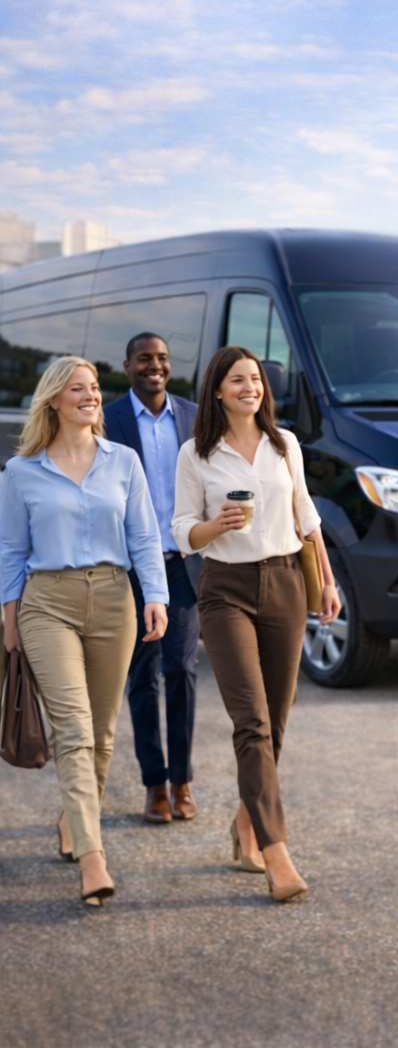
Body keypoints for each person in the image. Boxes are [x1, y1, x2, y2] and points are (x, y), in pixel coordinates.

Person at [172, 344, 341, 903]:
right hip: (225, 590)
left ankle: (246, 825)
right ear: (217, 390)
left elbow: (307, 519)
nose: (251, 387)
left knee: (279, 719)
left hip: (287, 583)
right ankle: (277, 853)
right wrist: (213, 527)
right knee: (253, 723)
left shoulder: (282, 444)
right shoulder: (196, 454)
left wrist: (328, 581)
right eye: (238, 380)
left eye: (257, 380)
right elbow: (180, 531)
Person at [0, 357, 168, 907]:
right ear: (54, 400)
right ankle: (93, 857)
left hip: (115, 600)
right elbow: (10, 552)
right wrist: (9, 621)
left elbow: (144, 536)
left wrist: (156, 597)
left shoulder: (123, 462)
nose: (91, 396)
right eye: (78, 389)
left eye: (95, 387)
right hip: (47, 603)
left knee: (101, 732)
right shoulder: (21, 472)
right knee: (71, 728)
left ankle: (75, 822)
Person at [104, 332, 200, 825]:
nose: (155, 366)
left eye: (162, 358)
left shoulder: (193, 415)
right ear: (128, 366)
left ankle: (182, 779)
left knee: (180, 669)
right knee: (141, 676)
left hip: (182, 563)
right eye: (145, 359)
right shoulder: (109, 418)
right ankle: (154, 784)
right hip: (132, 566)